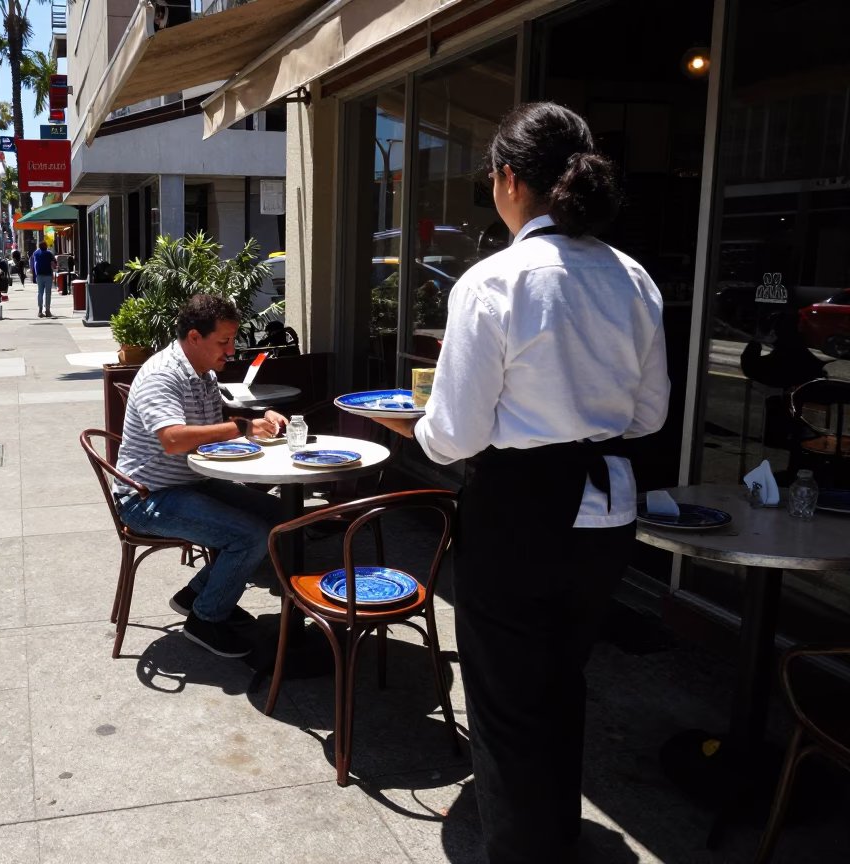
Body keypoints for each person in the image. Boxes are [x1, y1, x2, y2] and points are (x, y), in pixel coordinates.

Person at [371, 102, 670, 863]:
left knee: (506, 697)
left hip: (521, 506)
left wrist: (418, 426)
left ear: (509, 179)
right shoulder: (633, 278)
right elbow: (648, 416)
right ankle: (551, 832)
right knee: (561, 678)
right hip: (605, 504)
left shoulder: (494, 281)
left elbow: (456, 436)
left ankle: (521, 849)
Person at [116, 294, 287, 659]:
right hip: (147, 496)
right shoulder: (163, 374)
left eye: (232, 339)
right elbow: (174, 440)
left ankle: (195, 594)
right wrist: (242, 427)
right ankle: (206, 619)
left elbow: (215, 418)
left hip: (192, 481)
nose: (231, 350)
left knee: (279, 517)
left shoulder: (203, 373)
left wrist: (259, 416)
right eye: (223, 341)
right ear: (194, 337)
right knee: (250, 536)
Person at [31, 240, 56, 317]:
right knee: (48, 293)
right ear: (46, 246)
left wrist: (33, 275)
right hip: (48, 275)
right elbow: (53, 264)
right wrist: (55, 268)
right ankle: (47, 311)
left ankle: (40, 311)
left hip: (39, 275)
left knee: (40, 293)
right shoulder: (49, 253)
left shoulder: (36, 253)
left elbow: (33, 263)